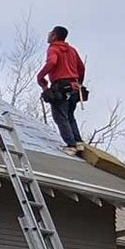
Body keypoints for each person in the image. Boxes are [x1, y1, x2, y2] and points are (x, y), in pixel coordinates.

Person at [36, 25, 88, 153]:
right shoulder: (72, 50)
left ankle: (71, 146)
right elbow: (81, 68)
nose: (48, 35)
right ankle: (78, 142)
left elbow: (52, 62)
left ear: (54, 36)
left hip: (61, 86)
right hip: (74, 87)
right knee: (69, 115)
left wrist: (40, 76)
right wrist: (79, 83)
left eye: (50, 33)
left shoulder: (54, 49)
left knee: (60, 116)